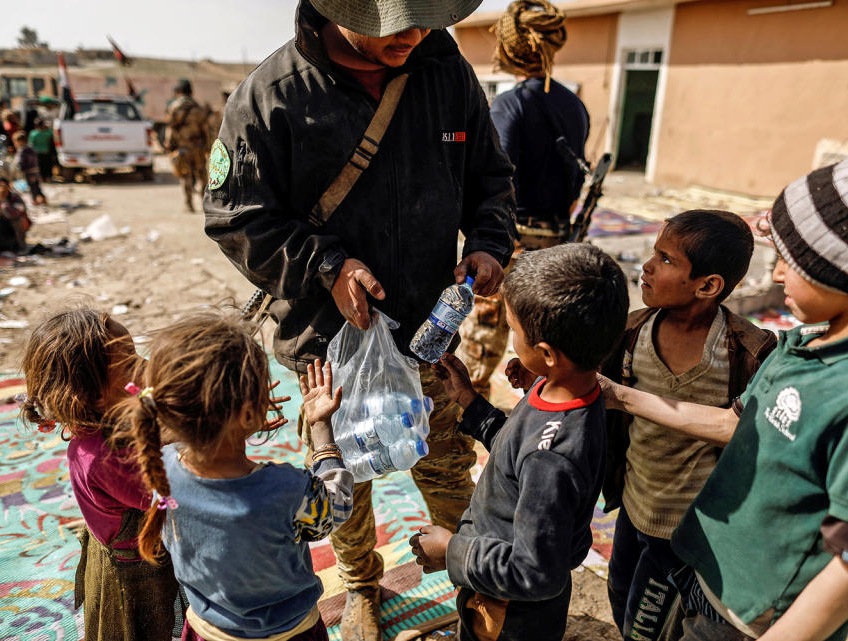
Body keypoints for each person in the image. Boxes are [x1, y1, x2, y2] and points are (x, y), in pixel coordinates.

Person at [203, 1, 516, 638]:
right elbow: (235, 219)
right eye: (394, 22)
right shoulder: (272, 96)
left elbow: (491, 178)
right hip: (327, 345)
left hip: (430, 333)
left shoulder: (446, 71)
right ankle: (362, 588)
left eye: (423, 18)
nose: (414, 35)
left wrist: (488, 241)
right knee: (343, 479)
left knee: (447, 461)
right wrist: (329, 267)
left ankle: (473, 575)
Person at [598, 153, 848, 641]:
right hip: (706, 572)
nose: (774, 276)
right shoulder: (800, 346)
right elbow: (736, 424)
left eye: (791, 264)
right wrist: (617, 396)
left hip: (756, 617)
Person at [410, 243, 629, 641]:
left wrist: (453, 551)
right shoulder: (566, 389)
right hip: (496, 587)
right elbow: (517, 452)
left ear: (546, 352)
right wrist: (471, 404)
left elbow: (532, 573)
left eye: (512, 328)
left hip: (511, 612)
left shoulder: (553, 459)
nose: (509, 335)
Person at [593, 210, 776, 641]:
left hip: (686, 528)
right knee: (621, 594)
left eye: (666, 260)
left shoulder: (744, 352)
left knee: (648, 624)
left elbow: (749, 437)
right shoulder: (631, 333)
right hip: (634, 508)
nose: (647, 267)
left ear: (708, 285)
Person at [113, 313, 353, 641]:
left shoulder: (159, 467)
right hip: (290, 634)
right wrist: (321, 429)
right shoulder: (285, 489)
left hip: (206, 631)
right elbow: (334, 510)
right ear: (250, 413)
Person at [19, 308, 179, 641]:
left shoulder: (109, 414)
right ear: (91, 395)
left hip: (132, 547)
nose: (146, 366)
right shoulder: (105, 458)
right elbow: (176, 497)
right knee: (145, 630)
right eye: (130, 362)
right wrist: (221, 433)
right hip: (136, 571)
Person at [456, 0, 590, 399]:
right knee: (545, 342)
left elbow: (497, 182)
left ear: (512, 47)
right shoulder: (574, 106)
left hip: (511, 243)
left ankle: (470, 425)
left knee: (479, 350)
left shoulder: (511, 104)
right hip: (558, 242)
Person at [164, 79, 210, 212]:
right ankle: (205, 205)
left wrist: (169, 144)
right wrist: (208, 146)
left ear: (179, 91)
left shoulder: (174, 107)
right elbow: (206, 129)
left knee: (186, 176)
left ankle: (189, 205)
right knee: (202, 176)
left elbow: (171, 128)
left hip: (182, 148)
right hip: (198, 148)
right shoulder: (198, 108)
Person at [14, 131, 46, 205]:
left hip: (28, 171)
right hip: (35, 170)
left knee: (32, 187)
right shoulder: (31, 148)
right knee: (37, 186)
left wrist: (20, 168)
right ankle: (43, 199)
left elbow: (21, 162)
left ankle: (35, 200)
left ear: (20, 141)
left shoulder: (23, 150)